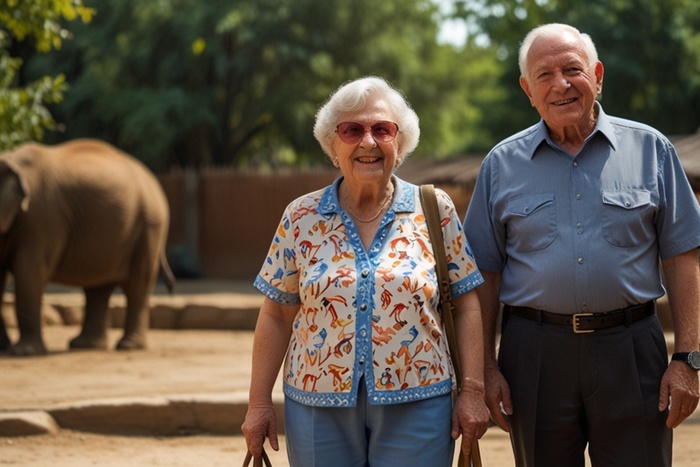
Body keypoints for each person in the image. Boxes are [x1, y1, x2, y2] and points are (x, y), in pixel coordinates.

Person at [464, 23, 700, 466]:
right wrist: (485, 370)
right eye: (544, 75)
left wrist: (688, 357)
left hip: (631, 351)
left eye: (572, 69)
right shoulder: (501, 164)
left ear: (598, 74)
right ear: (527, 90)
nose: (561, 84)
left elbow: (683, 257)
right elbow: (484, 276)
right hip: (533, 356)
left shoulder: (652, 149)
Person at [241, 76, 489, 466]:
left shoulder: (434, 208)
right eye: (352, 130)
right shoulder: (301, 216)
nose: (368, 142)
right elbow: (275, 315)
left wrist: (473, 391)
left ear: (400, 142)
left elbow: (468, 305)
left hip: (420, 400)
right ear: (333, 144)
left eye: (382, 129)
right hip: (316, 406)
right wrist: (258, 403)